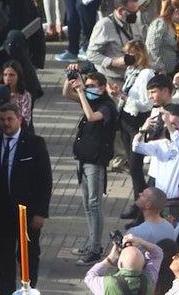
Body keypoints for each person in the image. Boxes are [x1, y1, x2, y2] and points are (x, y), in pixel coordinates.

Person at [0, 100, 52, 291]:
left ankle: (28, 290)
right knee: (3, 259)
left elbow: (45, 180)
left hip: (27, 212)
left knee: (28, 256)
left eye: (10, 119)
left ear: (19, 119)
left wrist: (41, 212)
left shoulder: (34, 144)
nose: (6, 123)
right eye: (2, 120)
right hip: (0, 213)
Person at [64, 70, 116, 265]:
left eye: (93, 86)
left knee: (94, 204)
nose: (89, 89)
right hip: (83, 158)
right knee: (86, 204)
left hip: (95, 161)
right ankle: (92, 242)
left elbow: (92, 116)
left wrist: (82, 93)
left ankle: (95, 248)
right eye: (88, 85)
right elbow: (66, 94)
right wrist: (70, 80)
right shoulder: (89, 98)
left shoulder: (107, 106)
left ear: (102, 87)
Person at [83, 234, 164, 295]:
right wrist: (141, 241)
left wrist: (110, 259)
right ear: (143, 264)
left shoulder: (108, 284)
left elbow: (90, 277)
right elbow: (158, 254)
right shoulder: (149, 279)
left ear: (120, 265)